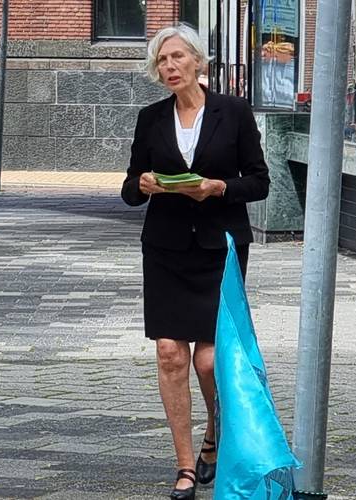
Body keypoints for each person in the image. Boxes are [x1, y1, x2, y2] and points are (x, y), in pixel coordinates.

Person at [120, 25, 270, 500]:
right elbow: (128, 191)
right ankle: (185, 465)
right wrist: (142, 183)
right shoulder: (150, 118)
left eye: (178, 57)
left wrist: (218, 187)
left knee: (208, 360)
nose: (170, 67)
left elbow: (261, 181)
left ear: (199, 62)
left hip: (217, 248)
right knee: (169, 352)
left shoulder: (234, 112)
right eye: (162, 61)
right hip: (165, 249)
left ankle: (215, 434)